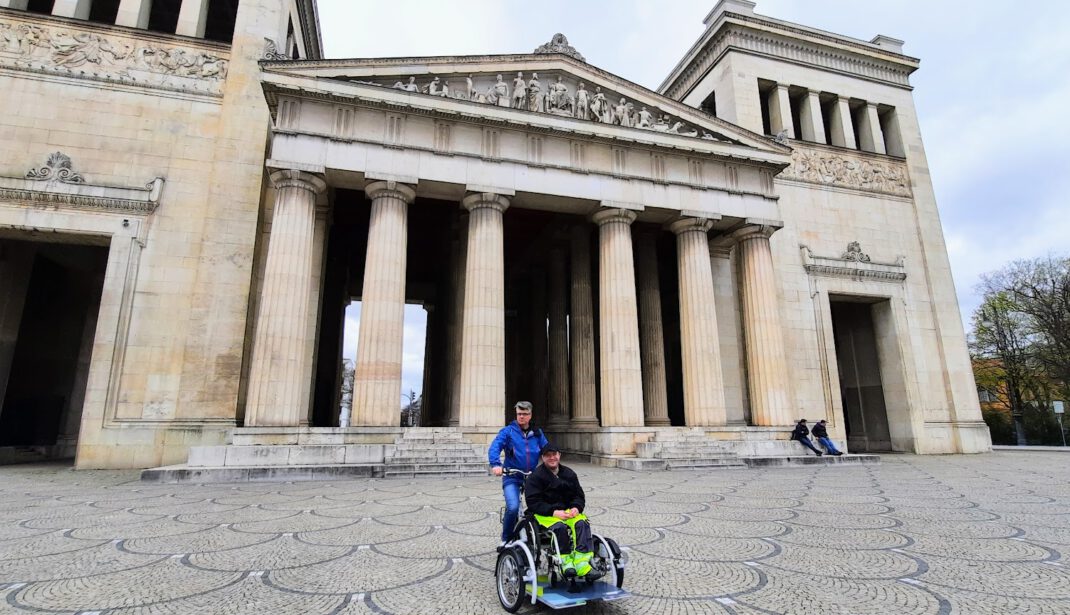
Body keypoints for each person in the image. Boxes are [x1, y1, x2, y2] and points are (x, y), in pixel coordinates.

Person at [524, 444, 594, 577]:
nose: (552, 458)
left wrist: (576, 507)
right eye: (548, 455)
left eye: (554, 454)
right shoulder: (535, 477)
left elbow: (579, 495)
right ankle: (565, 562)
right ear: (543, 458)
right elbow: (533, 502)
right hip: (546, 514)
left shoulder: (569, 473)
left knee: (582, 523)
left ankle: (582, 563)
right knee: (560, 528)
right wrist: (554, 512)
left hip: (568, 511)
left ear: (559, 455)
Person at [489, 401, 548, 547]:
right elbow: (495, 447)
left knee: (543, 504)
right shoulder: (508, 431)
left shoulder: (537, 432)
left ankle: (539, 533)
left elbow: (547, 449)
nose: (522, 416)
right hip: (512, 476)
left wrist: (552, 463)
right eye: (519, 414)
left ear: (530, 415)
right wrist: (496, 464)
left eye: (525, 414)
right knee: (513, 506)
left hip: (532, 477)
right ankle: (506, 538)